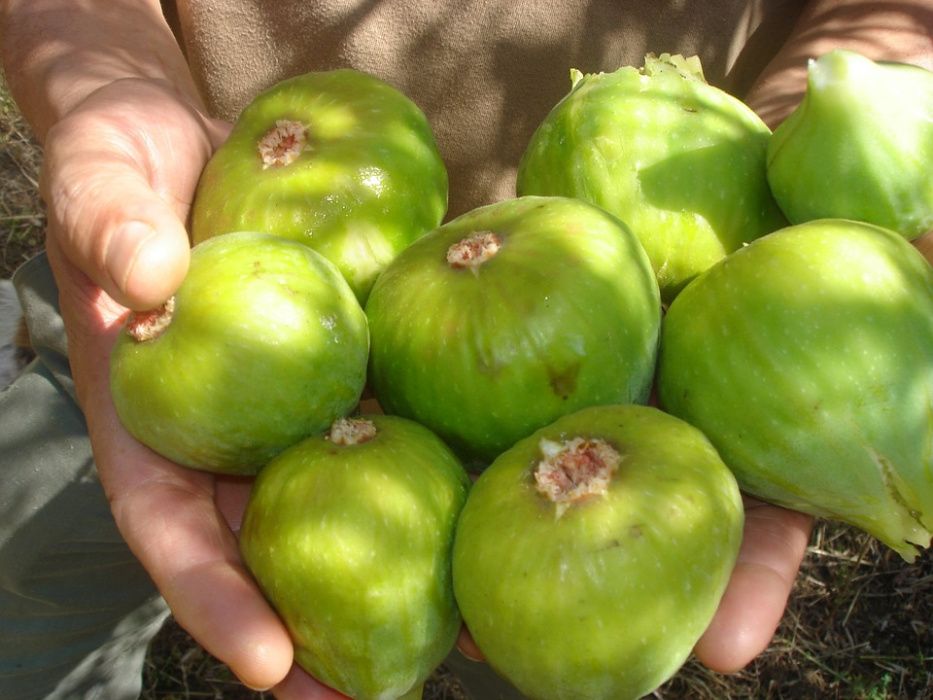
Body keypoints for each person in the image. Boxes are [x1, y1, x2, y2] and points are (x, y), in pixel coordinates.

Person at [0, 1, 930, 698]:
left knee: (519, 636)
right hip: (177, 267)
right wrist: (102, 75)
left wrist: (809, 132)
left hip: (598, 365)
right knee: (32, 582)